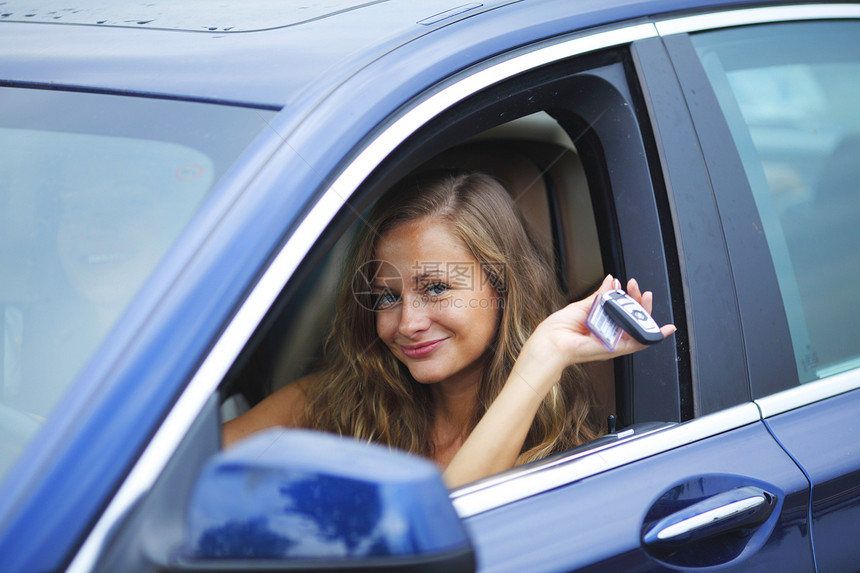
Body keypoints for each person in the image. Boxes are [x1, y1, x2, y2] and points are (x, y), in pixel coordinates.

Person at [222, 170, 675, 487]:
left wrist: (544, 357)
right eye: (386, 296)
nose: (408, 323)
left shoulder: (567, 448)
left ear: (502, 287)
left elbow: (446, 532)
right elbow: (170, 472)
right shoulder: (332, 403)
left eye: (436, 287)